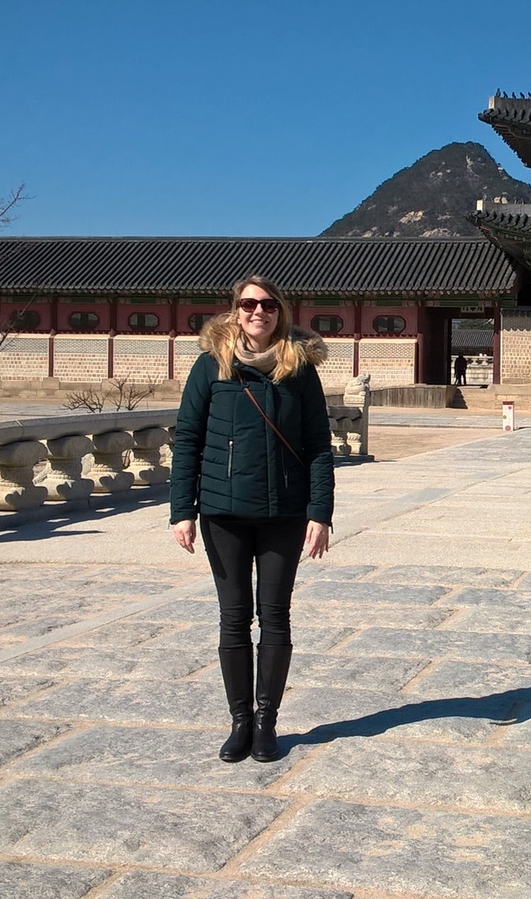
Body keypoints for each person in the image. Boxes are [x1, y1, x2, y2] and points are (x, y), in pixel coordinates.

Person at [170, 276, 334, 764]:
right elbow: (187, 441)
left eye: (266, 304)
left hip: (283, 512)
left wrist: (319, 513)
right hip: (223, 512)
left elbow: (319, 448)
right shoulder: (210, 367)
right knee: (234, 618)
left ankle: (267, 721)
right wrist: (183, 510)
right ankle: (239, 720)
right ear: (234, 311)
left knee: (276, 617)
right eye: (247, 304)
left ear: (280, 311)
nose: (257, 312)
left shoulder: (300, 370)